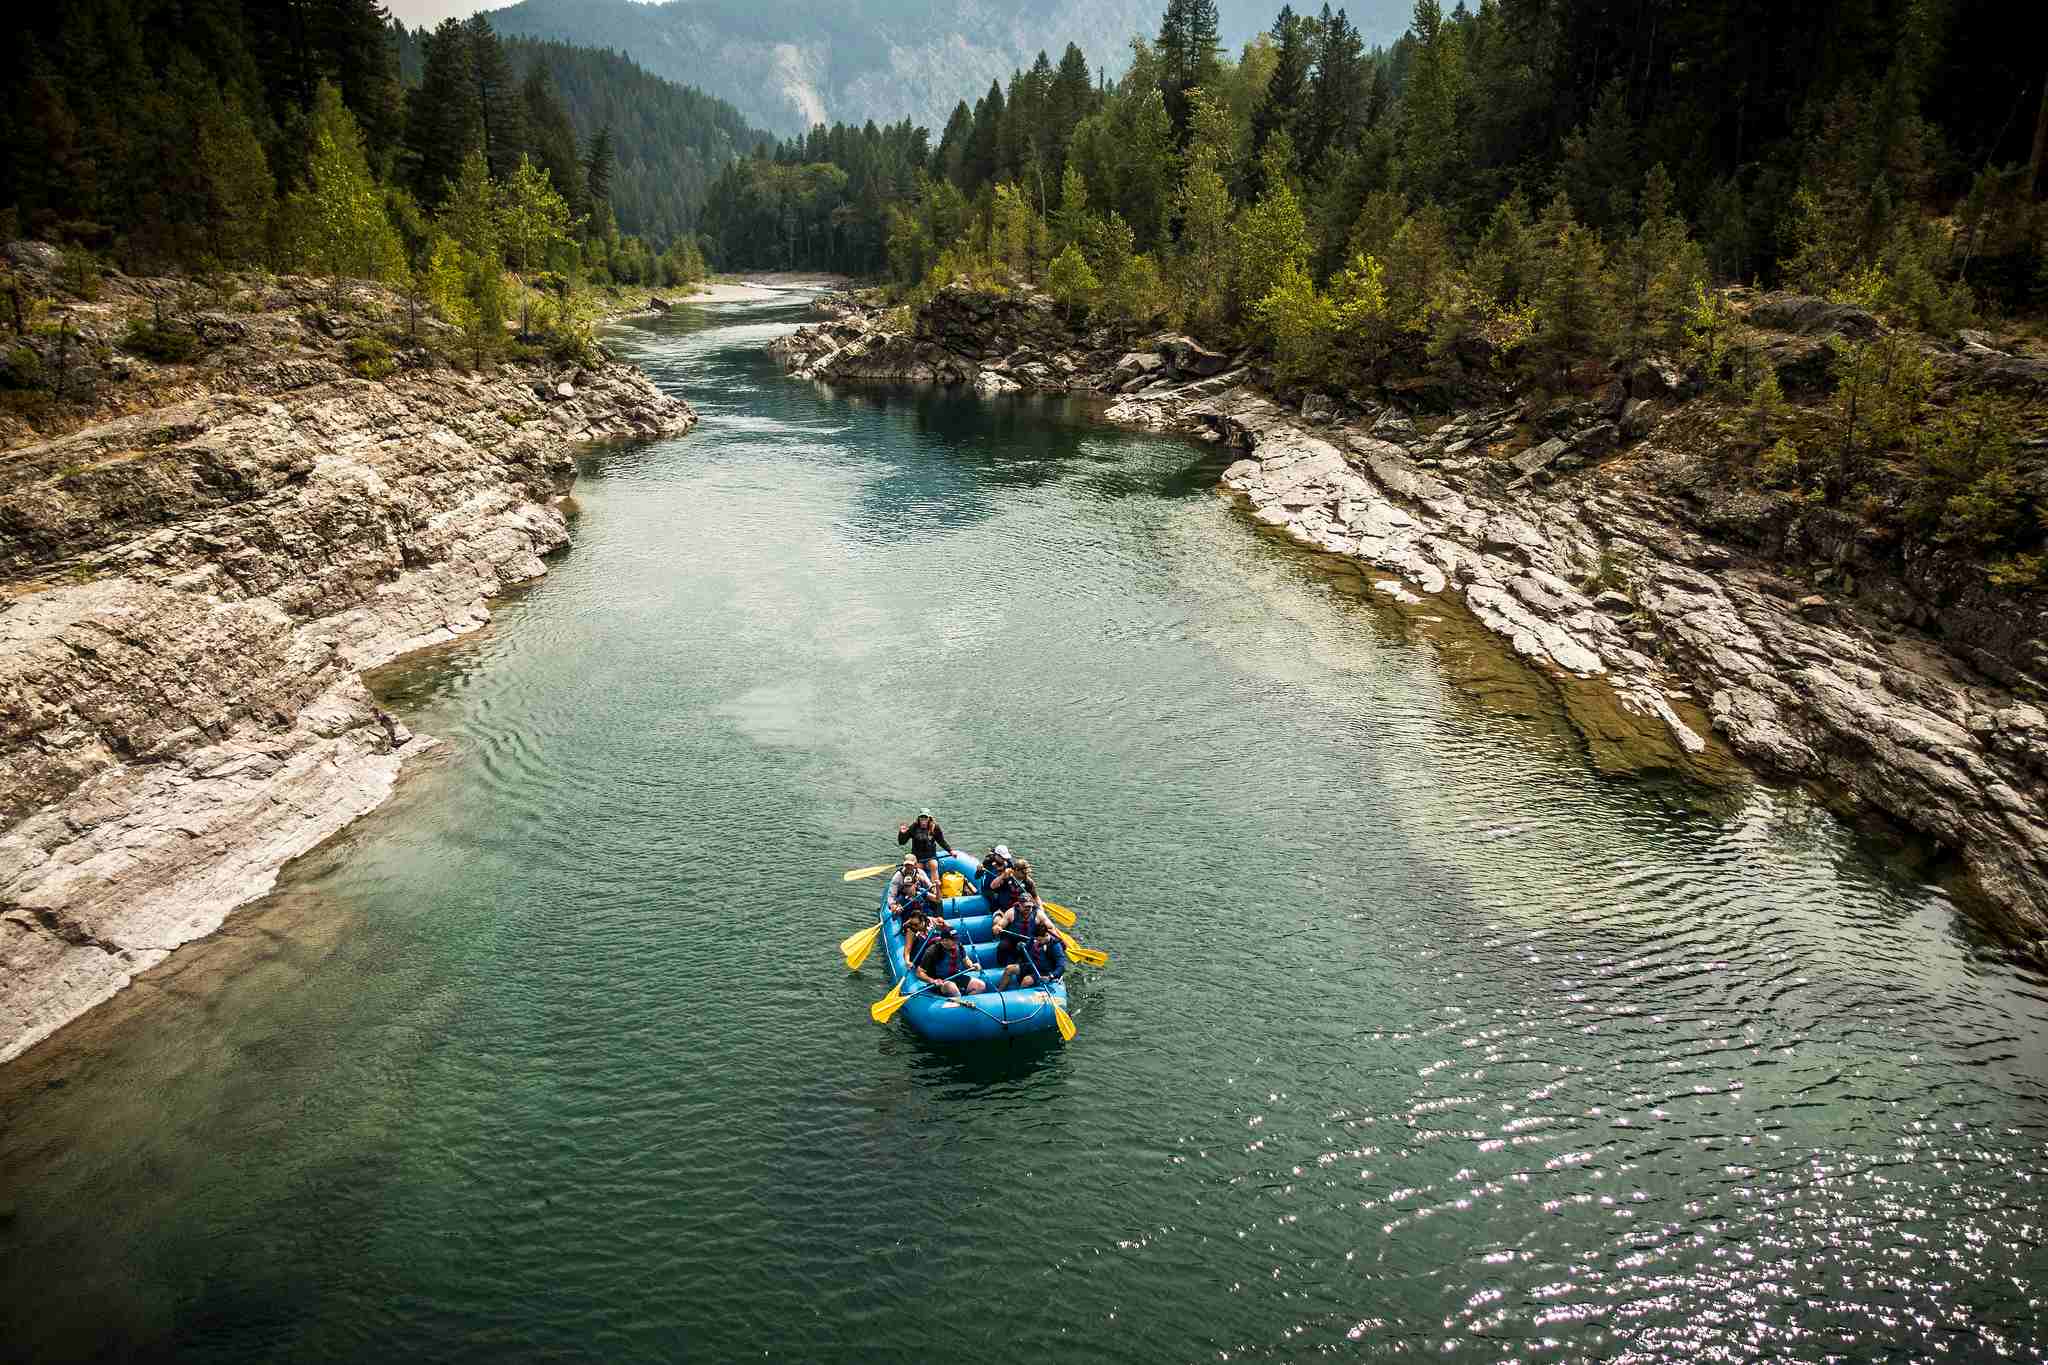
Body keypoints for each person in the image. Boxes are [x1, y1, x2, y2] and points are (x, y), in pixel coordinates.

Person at [914, 919, 985, 998]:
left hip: (955, 976)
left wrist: (973, 966)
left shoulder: (958, 946)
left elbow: (966, 961)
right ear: (944, 941)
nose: (956, 941)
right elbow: (919, 973)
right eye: (953, 940)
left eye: (956, 939)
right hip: (940, 981)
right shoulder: (932, 951)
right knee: (952, 988)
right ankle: (959, 1002)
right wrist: (933, 981)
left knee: (980, 986)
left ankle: (964, 1002)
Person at [896, 808, 953, 892]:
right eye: (921, 818)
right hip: (918, 857)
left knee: (933, 865)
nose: (923, 820)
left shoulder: (935, 827)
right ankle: (921, 889)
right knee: (919, 868)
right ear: (918, 819)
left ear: (929, 818)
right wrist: (902, 833)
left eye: (925, 818)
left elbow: (941, 841)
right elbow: (902, 842)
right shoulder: (914, 827)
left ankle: (934, 889)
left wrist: (950, 850)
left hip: (930, 856)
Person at [1000, 923, 1067, 991]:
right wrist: (1021, 947)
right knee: (1009, 969)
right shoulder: (1034, 939)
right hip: (1033, 965)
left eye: (1040, 940)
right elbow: (1026, 949)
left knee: (1026, 981)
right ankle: (1000, 991)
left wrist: (1050, 976)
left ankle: (1019, 995)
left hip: (1045, 972)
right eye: (1036, 939)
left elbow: (1061, 966)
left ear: (1046, 935)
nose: (1037, 942)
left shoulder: (1056, 947)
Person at [888, 854, 937, 922]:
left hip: (917, 894)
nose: (908, 867)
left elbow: (929, 884)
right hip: (903, 897)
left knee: (927, 906)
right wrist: (893, 905)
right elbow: (891, 895)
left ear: (915, 864)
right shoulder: (898, 876)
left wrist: (934, 889)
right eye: (906, 864)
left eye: (910, 865)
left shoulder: (920, 872)